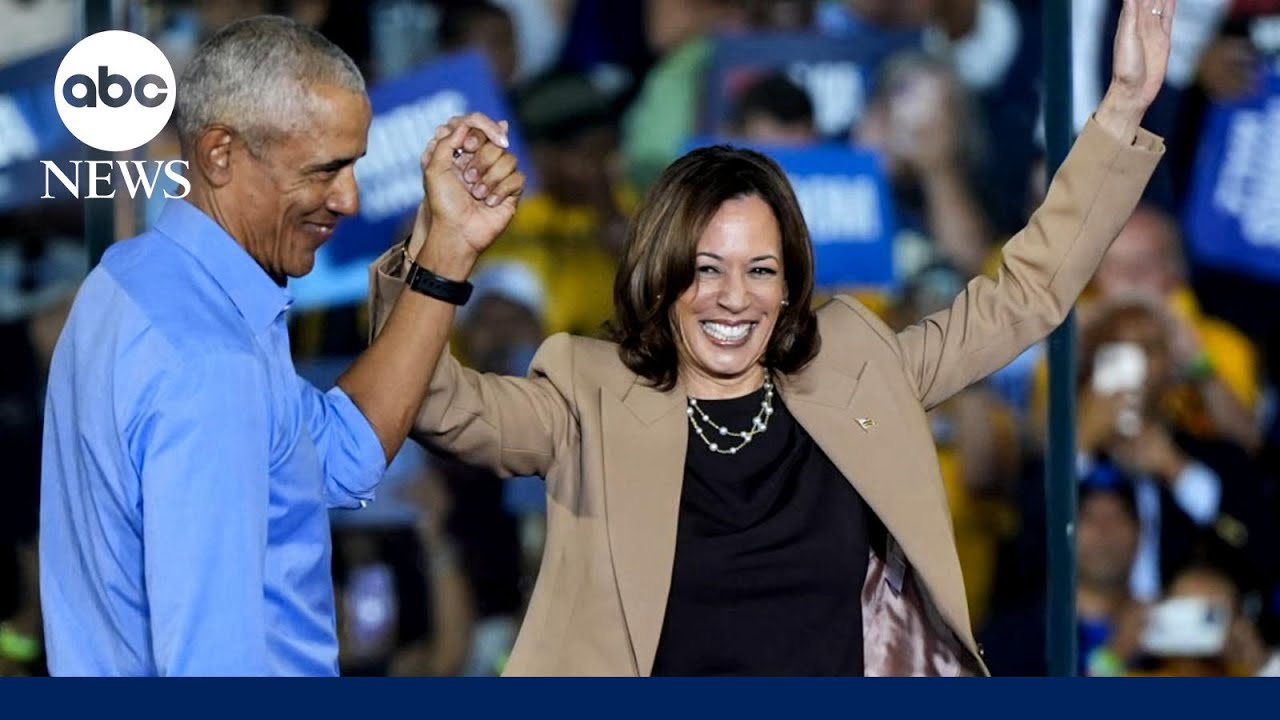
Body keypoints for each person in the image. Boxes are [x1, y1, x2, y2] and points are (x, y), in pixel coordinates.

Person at [370, 0, 1174, 676]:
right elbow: (432, 403)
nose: (734, 297)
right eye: (705, 268)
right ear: (660, 276)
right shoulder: (589, 394)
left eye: (760, 269)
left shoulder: (855, 368)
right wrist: (440, 248)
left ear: (790, 285)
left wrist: (1123, 110)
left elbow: (1024, 294)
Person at [39, 16, 525, 676]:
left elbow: (339, 455)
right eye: (325, 170)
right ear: (220, 154)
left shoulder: (136, 280)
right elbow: (215, 669)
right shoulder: (209, 360)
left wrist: (448, 247)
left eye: (352, 166)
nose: (348, 199)